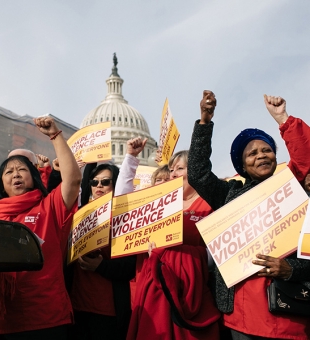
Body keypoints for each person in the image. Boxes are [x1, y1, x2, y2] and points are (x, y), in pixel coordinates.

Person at [187, 91, 310, 339]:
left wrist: (283, 119)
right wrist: (204, 123)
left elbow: (306, 158)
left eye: (267, 150)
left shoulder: (291, 188)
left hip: (286, 311)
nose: (261, 155)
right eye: (252, 154)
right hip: (240, 317)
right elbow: (198, 173)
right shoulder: (229, 195)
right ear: (242, 166)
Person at [0, 117, 82, 339]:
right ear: (1, 184)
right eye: (9, 172)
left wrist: (55, 136)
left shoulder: (50, 206)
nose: (15, 174)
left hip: (46, 318)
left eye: (21, 169)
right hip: (3, 319)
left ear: (34, 176)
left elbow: (73, 180)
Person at [127, 150, 221, 340]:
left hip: (192, 292)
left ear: (195, 170)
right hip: (157, 289)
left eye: (180, 168)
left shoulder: (211, 204)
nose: (173, 174)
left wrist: (172, 253)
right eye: (171, 169)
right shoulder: (161, 205)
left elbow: (218, 254)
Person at [69, 137, 146, 340]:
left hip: (108, 310)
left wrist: (100, 266)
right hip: (77, 306)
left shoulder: (124, 218)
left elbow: (129, 266)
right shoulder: (80, 214)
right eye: (94, 182)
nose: (99, 186)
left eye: (106, 182)